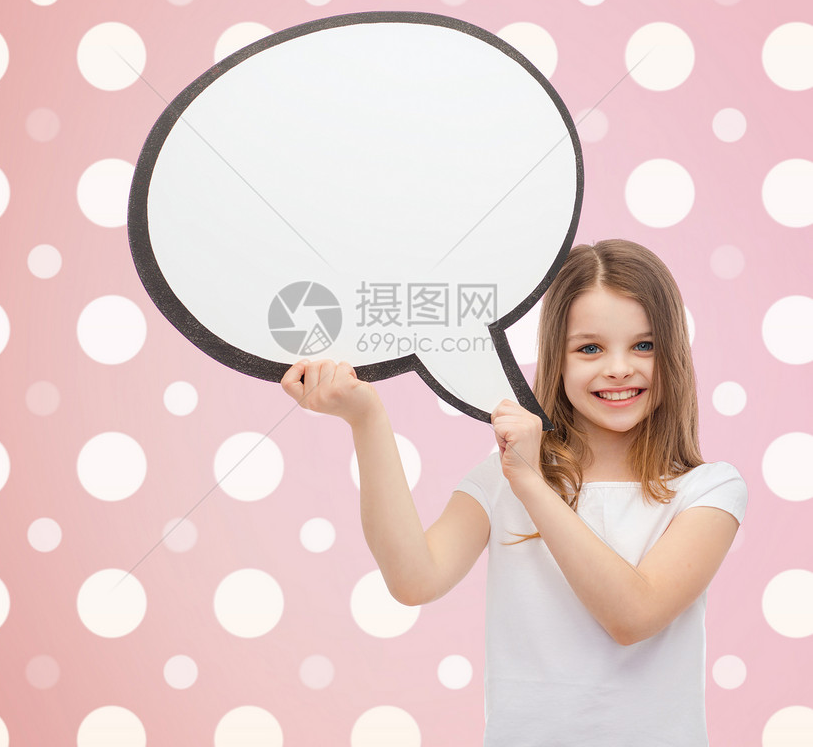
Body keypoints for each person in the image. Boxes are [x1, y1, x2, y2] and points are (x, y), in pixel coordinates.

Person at [280, 239, 747, 746]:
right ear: (557, 359)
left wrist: (530, 481)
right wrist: (365, 418)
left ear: (673, 353)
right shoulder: (500, 477)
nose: (618, 367)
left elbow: (632, 617)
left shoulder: (707, 490)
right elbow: (414, 580)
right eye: (590, 348)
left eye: (644, 345)